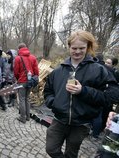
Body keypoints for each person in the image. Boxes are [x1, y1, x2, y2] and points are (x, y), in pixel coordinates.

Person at [43, 30, 118, 158]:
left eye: (81, 48)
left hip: (81, 123)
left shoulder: (98, 70)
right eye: (74, 48)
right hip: (59, 120)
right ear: (69, 47)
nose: (77, 51)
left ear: (88, 47)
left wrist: (83, 91)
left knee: (71, 154)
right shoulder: (58, 70)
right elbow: (48, 91)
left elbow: (110, 97)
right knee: (51, 148)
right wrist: (54, 103)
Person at [14, 43, 39, 123]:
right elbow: (36, 72)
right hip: (30, 81)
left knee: (21, 99)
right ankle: (28, 117)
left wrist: (19, 79)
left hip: (22, 81)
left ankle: (22, 118)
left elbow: (16, 72)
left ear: (19, 49)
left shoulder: (18, 58)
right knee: (27, 98)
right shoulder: (33, 57)